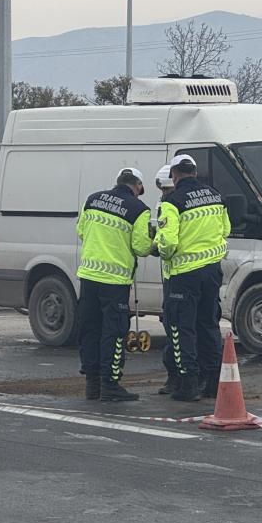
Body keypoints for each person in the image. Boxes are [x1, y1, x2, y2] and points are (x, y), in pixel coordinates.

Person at [156, 154, 231, 402]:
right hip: (212, 271)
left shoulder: (172, 201)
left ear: (174, 175)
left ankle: (188, 383)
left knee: (181, 329)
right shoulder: (216, 196)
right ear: (195, 172)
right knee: (208, 325)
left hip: (183, 274)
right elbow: (226, 230)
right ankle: (213, 382)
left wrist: (159, 248)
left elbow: (168, 243)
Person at [75, 167, 152, 402]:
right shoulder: (139, 209)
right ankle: (110, 383)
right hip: (115, 281)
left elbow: (81, 231)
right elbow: (141, 247)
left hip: (89, 276)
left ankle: (92, 384)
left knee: (90, 329)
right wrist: (153, 241)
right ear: (137, 186)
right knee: (114, 332)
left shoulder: (92, 200)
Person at [152, 166, 180, 396]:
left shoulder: (170, 206)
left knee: (176, 330)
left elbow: (167, 243)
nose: (162, 195)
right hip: (199, 274)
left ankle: (177, 379)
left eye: (165, 190)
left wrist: (156, 247)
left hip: (176, 276)